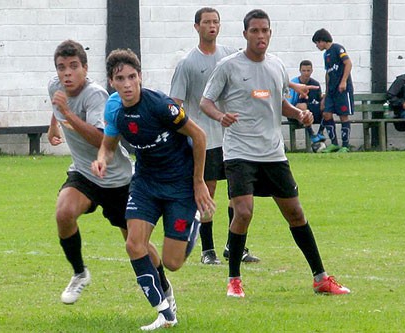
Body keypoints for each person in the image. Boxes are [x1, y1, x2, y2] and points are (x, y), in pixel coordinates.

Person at [200, 9, 350, 298]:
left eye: (265, 30)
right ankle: (234, 280)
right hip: (239, 152)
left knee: (295, 212)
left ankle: (320, 278)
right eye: (254, 31)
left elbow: (278, 101)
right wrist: (220, 116)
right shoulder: (229, 67)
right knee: (243, 211)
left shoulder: (277, 66)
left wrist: (299, 114)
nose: (260, 36)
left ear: (270, 33)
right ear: (245, 34)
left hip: (273, 154)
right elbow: (206, 102)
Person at [92, 48, 215, 330]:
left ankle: (194, 218)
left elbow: (199, 135)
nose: (127, 84)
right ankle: (164, 312)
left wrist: (198, 183)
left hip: (179, 187)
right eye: (120, 78)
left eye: (132, 77)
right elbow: (109, 145)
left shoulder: (160, 105)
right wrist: (101, 160)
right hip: (146, 184)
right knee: (134, 244)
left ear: (140, 77)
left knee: (172, 261)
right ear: (112, 82)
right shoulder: (114, 109)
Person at [47, 40, 169, 307]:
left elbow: (101, 140)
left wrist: (67, 112)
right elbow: (57, 107)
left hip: (118, 180)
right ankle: (80, 273)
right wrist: (54, 124)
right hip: (84, 173)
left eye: (73, 67)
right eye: (61, 67)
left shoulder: (96, 96)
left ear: (85, 68)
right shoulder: (55, 87)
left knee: (137, 245)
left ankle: (164, 289)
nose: (67, 73)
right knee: (63, 212)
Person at [169, 7, 260, 266]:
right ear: (196, 27)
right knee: (207, 194)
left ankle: (235, 247)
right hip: (204, 141)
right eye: (207, 22)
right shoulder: (187, 63)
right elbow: (175, 104)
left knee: (239, 193)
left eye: (216, 22)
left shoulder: (230, 56)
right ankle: (206, 250)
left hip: (233, 139)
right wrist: (184, 133)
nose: (212, 26)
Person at [312, 28, 354, 153]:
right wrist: (325, 93)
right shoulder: (326, 54)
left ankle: (345, 146)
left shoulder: (337, 48)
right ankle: (334, 143)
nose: (317, 46)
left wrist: (343, 81)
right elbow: (328, 73)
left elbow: (348, 63)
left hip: (342, 89)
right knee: (326, 114)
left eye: (317, 43)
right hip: (331, 91)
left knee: (343, 116)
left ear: (322, 40)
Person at [287, 59, 326, 144]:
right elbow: (289, 102)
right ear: (300, 71)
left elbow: (319, 99)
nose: (306, 73)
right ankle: (311, 134)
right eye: (303, 71)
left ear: (312, 71)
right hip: (296, 113)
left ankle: (320, 132)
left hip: (312, 111)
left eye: (308, 70)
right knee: (302, 106)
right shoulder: (294, 83)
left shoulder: (315, 84)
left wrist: (324, 97)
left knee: (327, 102)